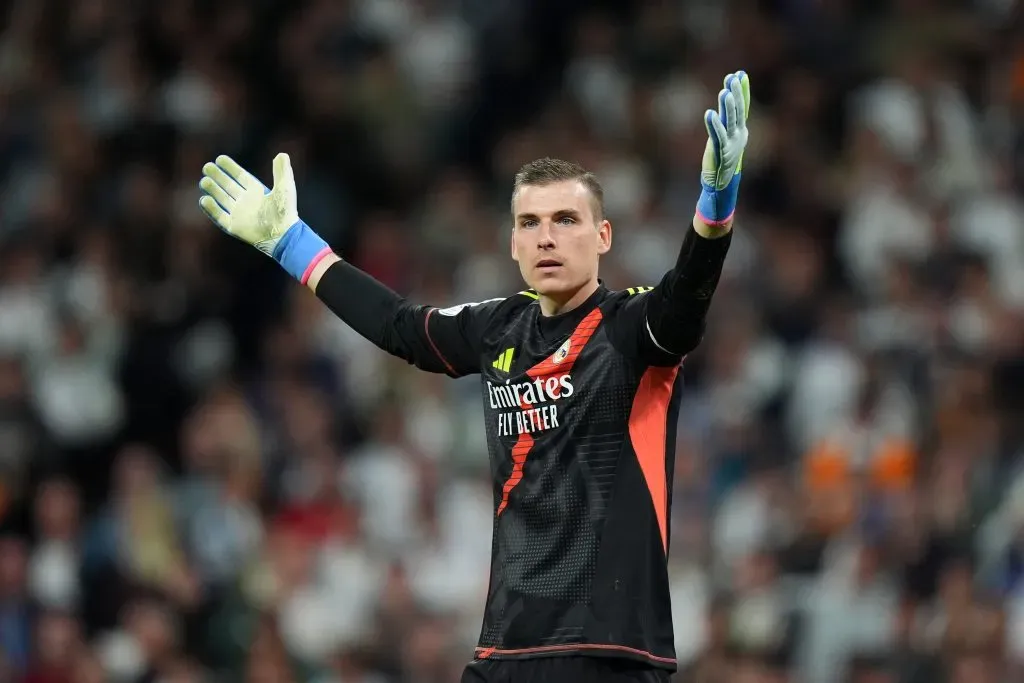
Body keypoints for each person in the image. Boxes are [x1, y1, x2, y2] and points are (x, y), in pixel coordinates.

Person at [198, 71, 751, 683]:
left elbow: (685, 303)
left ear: (603, 236)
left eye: (567, 220)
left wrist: (713, 211)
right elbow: (400, 327)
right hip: (505, 653)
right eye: (530, 222)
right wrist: (291, 244)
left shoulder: (629, 327)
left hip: (608, 652)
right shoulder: (497, 328)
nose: (547, 237)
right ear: (512, 243)